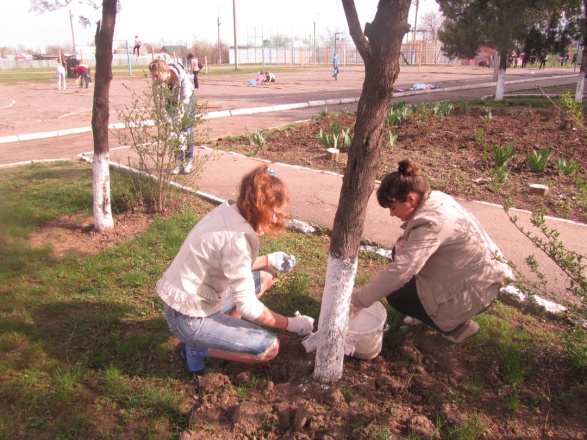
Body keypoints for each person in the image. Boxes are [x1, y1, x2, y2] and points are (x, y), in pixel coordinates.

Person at [157, 164, 315, 375]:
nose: (278, 220)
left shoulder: (230, 211)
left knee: (266, 276)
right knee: (268, 348)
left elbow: (231, 264)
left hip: (195, 294)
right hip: (188, 317)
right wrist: (291, 324)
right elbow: (248, 306)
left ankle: (225, 328)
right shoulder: (238, 239)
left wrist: (270, 258)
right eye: (277, 214)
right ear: (262, 207)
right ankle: (195, 349)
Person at [350, 160, 513, 344]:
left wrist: (359, 300)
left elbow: (401, 271)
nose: (391, 214)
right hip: (485, 276)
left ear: (411, 199)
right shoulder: (436, 198)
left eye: (393, 207)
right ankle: (429, 311)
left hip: (476, 292)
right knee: (399, 250)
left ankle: (455, 327)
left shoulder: (430, 223)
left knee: (398, 296)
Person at [149, 59, 195, 174]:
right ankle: (178, 162)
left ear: (164, 71)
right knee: (174, 133)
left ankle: (188, 161)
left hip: (187, 101)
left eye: (156, 75)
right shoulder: (157, 83)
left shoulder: (182, 78)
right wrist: (168, 120)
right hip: (172, 101)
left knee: (186, 130)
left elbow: (185, 100)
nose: (154, 79)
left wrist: (178, 119)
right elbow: (158, 104)